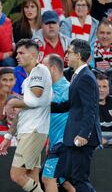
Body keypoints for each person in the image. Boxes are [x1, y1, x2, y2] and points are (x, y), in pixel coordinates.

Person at [0, 39, 52, 192]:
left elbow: (35, 99)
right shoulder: (28, 79)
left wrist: (12, 103)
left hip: (33, 131)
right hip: (28, 130)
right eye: (17, 53)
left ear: (33, 54)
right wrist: (9, 136)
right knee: (31, 176)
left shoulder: (40, 70)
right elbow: (25, 109)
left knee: (16, 175)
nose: (17, 56)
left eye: (22, 53)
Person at [63, 39, 102, 192]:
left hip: (81, 138)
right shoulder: (78, 75)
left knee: (79, 180)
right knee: (72, 178)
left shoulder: (85, 76)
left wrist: (83, 134)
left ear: (78, 55)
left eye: (69, 53)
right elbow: (74, 104)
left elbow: (90, 109)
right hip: (75, 136)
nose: (67, 56)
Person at [41, 54, 74, 192]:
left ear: (53, 68)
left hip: (64, 143)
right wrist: (49, 140)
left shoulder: (68, 89)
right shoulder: (49, 89)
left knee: (48, 178)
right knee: (65, 182)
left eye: (44, 67)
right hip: (56, 142)